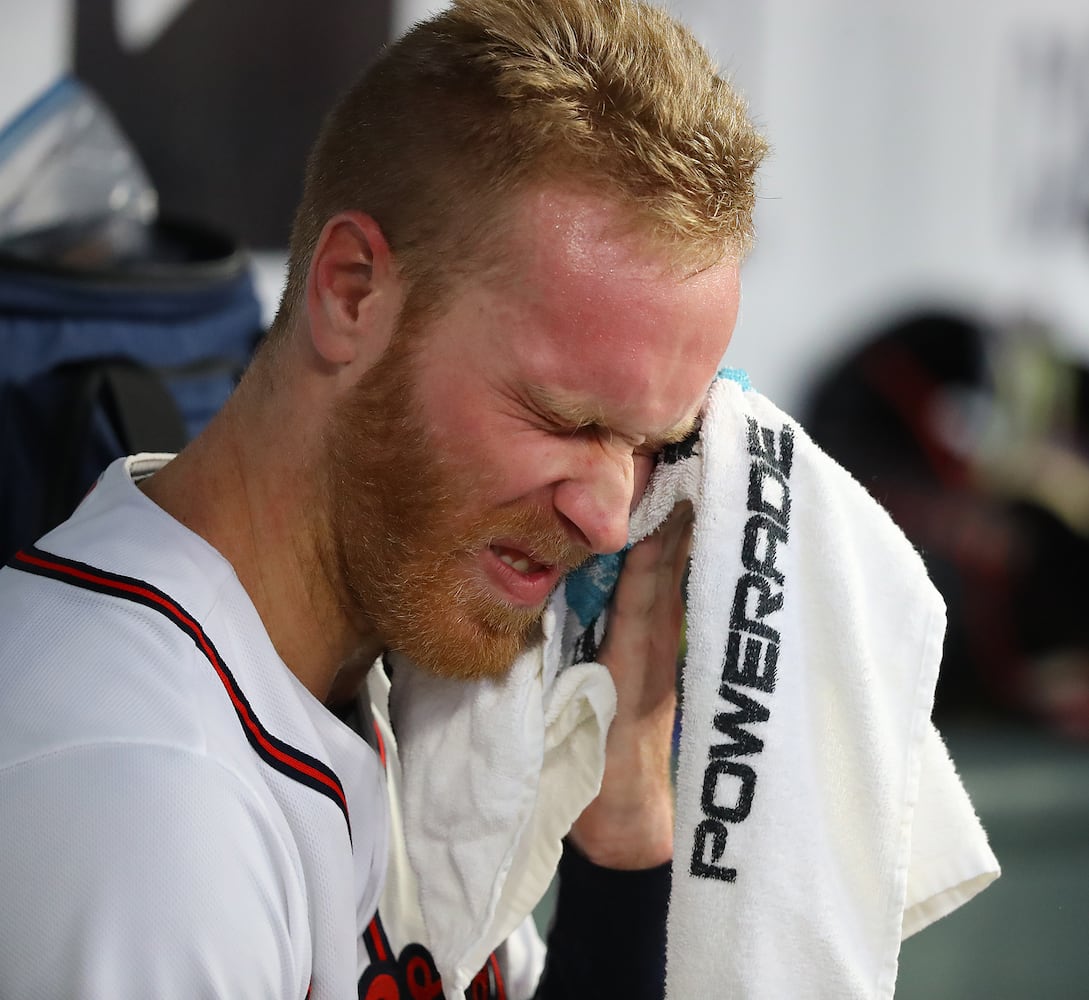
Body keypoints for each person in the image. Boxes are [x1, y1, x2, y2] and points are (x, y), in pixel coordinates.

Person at [0, 0, 766, 996]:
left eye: (649, 444)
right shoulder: (143, 793)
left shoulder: (408, 681)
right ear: (353, 291)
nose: (612, 517)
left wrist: (622, 819)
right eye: (567, 417)